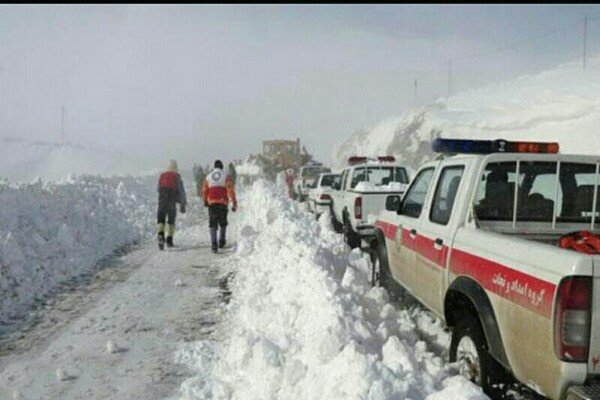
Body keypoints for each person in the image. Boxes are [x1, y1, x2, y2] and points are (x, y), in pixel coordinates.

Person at [202, 160, 237, 253]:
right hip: (223, 202)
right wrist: (234, 202)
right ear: (222, 167)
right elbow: (230, 190)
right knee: (223, 222)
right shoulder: (226, 177)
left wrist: (205, 200)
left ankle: (214, 244)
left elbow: (205, 190)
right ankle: (221, 241)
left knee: (212, 223)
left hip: (212, 202)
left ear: (214, 167)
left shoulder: (208, 177)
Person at [157, 160, 187, 250]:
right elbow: (181, 191)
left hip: (162, 201)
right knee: (171, 220)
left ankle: (161, 235)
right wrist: (183, 203)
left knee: (161, 219)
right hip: (171, 202)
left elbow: (158, 189)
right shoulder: (177, 177)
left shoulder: (162, 176)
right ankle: (169, 240)